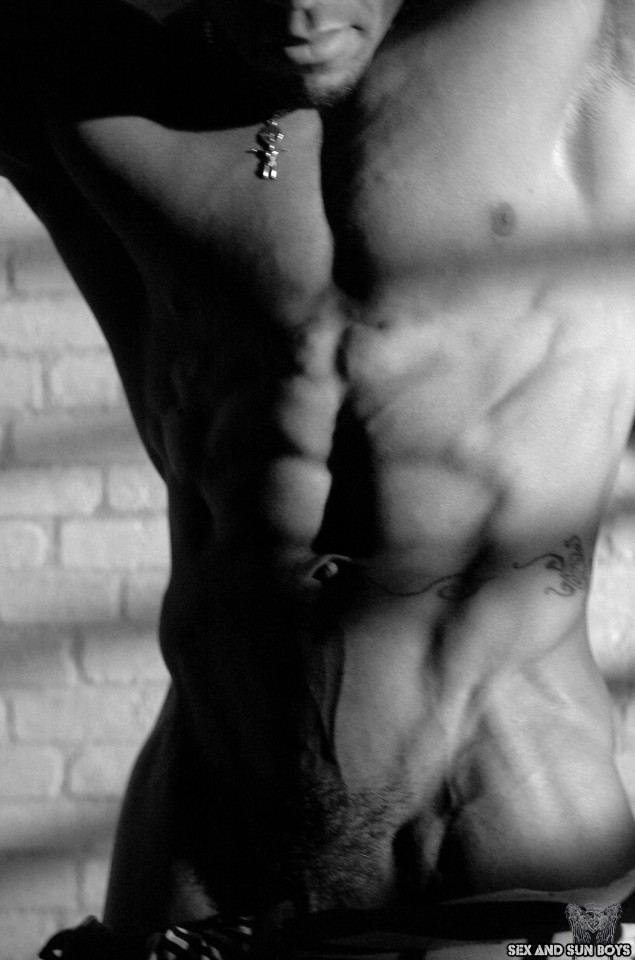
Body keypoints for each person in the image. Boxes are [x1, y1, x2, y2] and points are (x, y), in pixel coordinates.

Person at [3, 0, 635, 955]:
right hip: (200, 853)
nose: (299, 9)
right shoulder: (94, 92)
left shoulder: (578, 32)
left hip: (517, 838)